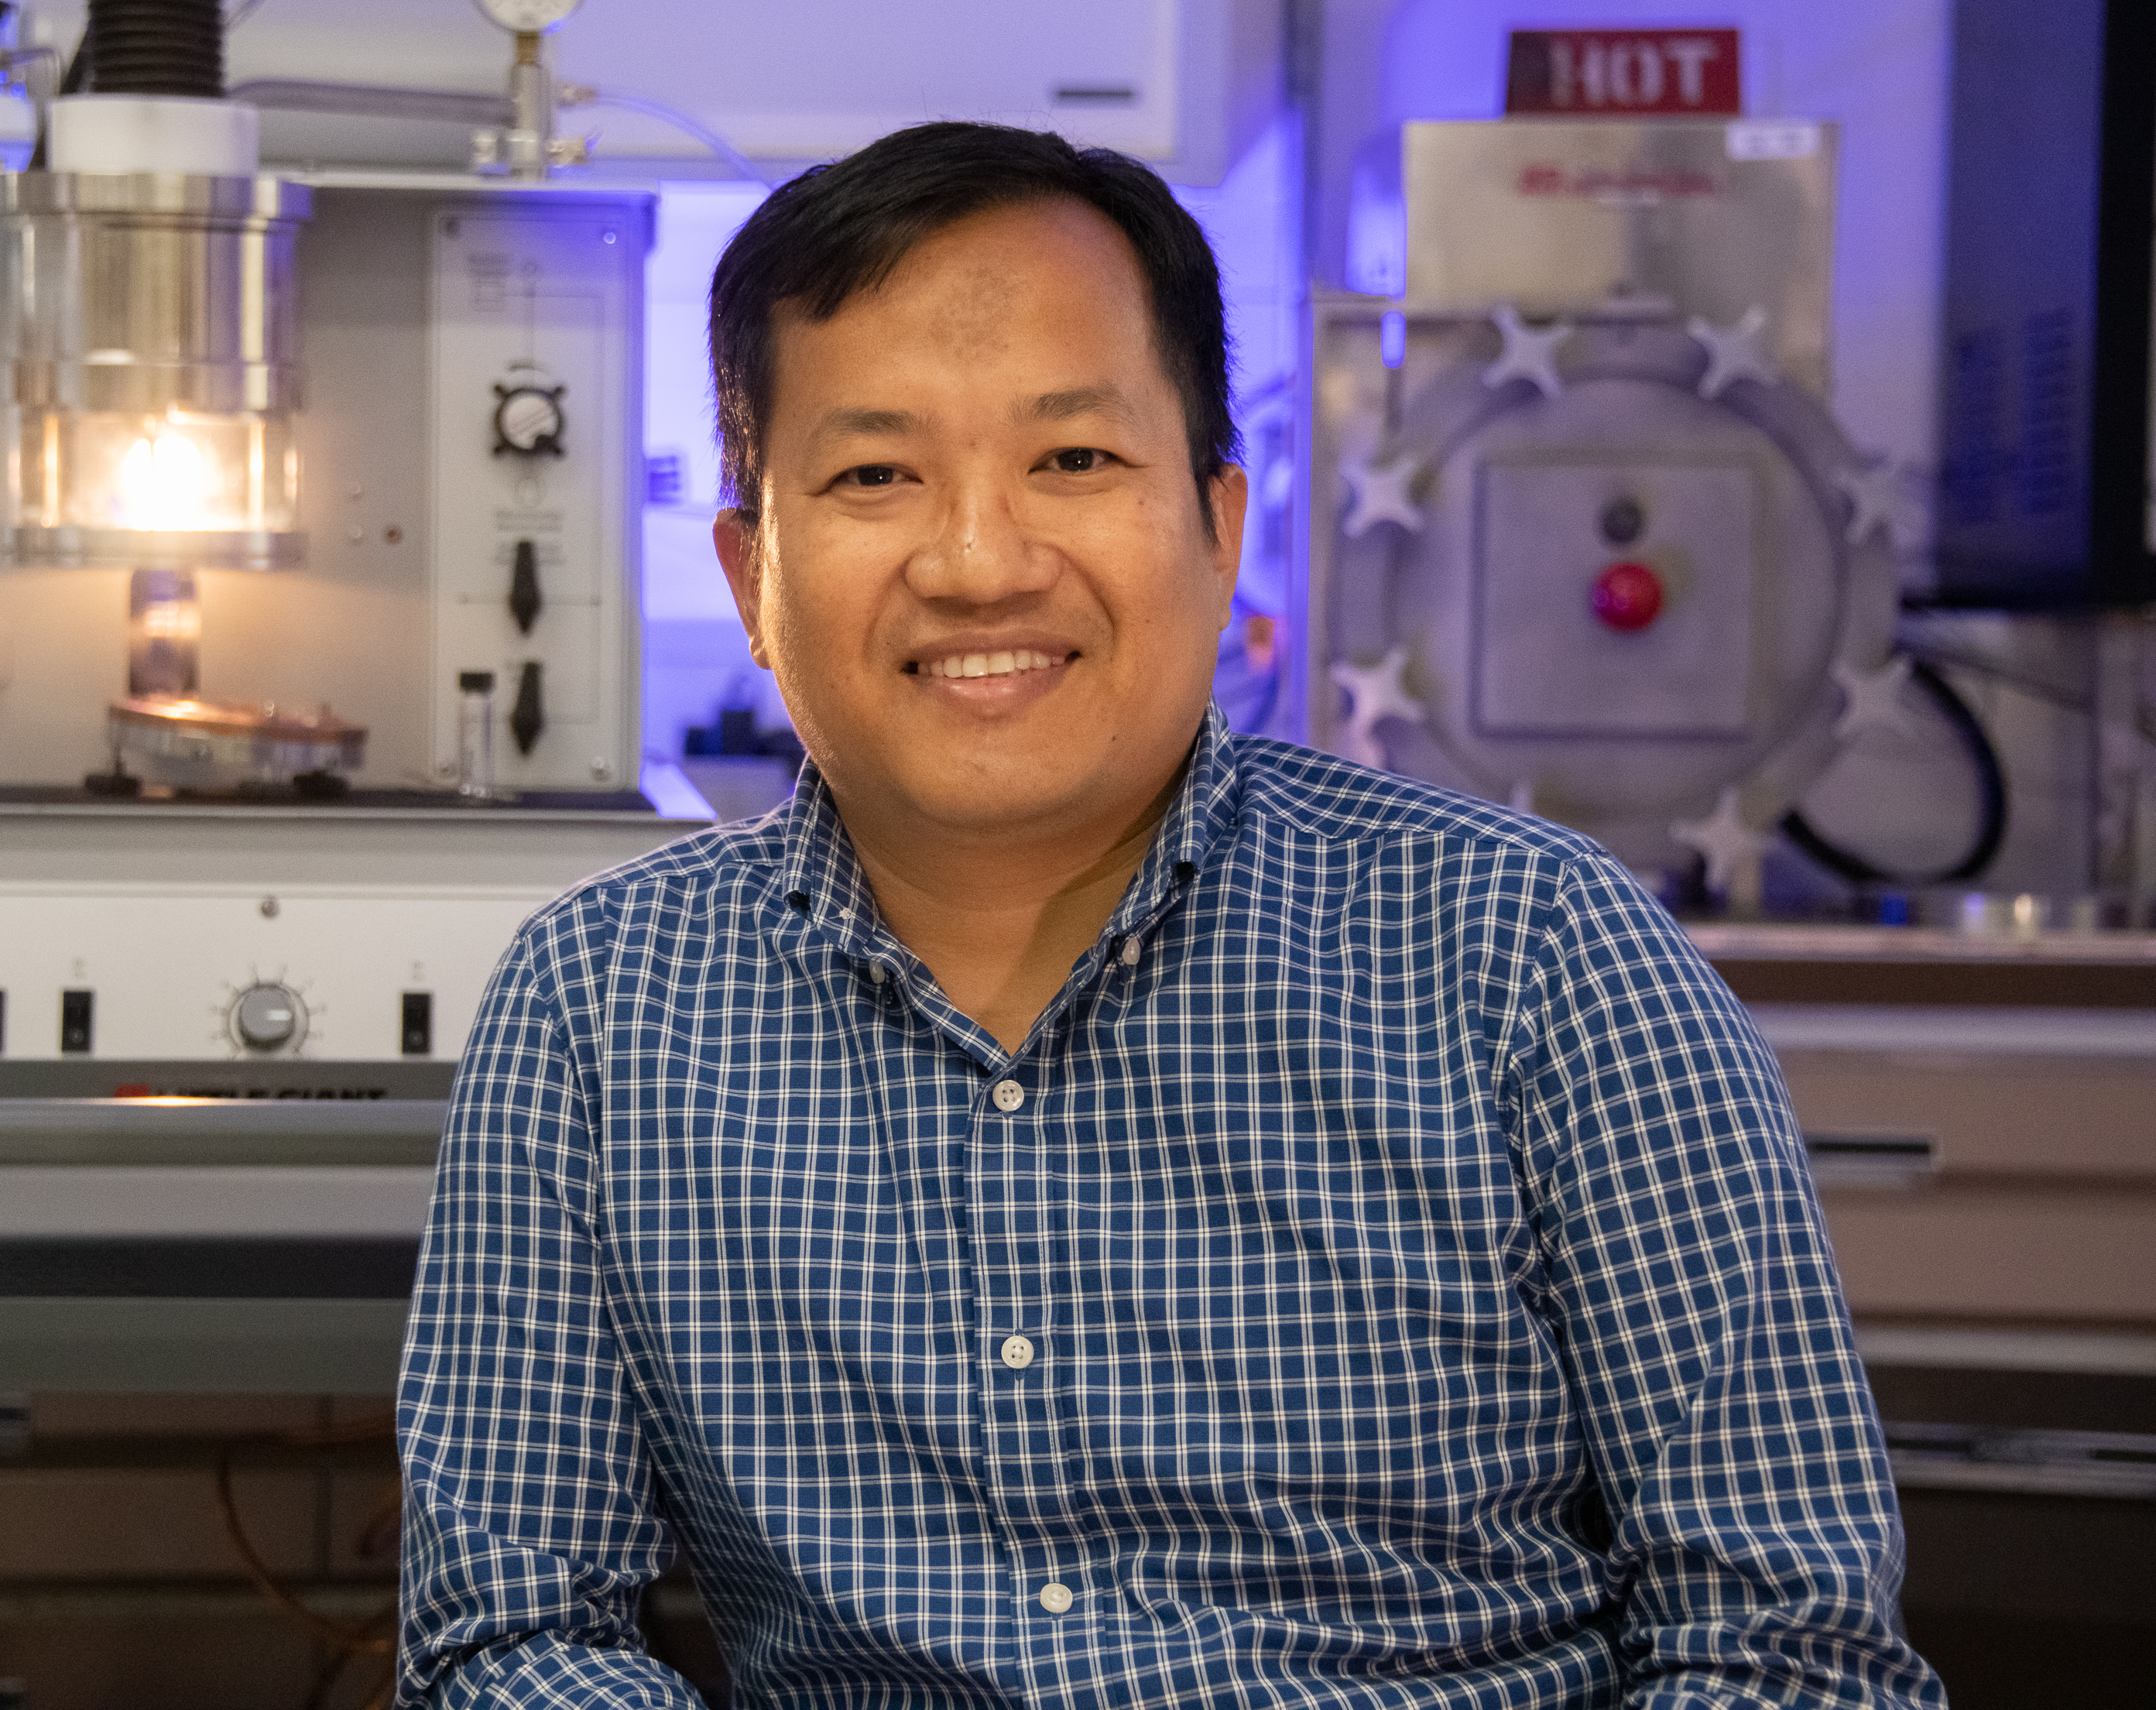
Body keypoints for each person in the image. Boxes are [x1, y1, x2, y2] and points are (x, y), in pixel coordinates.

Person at [395, 121, 1941, 1708]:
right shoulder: (602, 1009)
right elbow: (514, 1644)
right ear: (751, 576)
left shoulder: (1538, 958)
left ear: (1220, 527)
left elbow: (1790, 1652)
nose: (981, 562)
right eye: (875, 474)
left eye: (1074, 460)